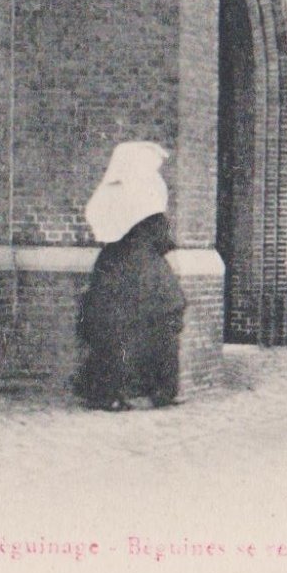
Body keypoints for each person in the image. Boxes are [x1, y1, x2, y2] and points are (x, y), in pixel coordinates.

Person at [74, 142, 187, 410]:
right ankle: (161, 391)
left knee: (110, 331)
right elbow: (163, 241)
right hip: (147, 272)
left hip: (111, 270)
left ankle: (107, 394)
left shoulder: (108, 195)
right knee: (162, 326)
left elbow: (101, 229)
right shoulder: (149, 201)